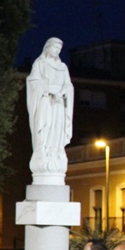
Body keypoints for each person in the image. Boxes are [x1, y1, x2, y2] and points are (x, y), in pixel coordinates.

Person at [26, 36, 74, 177]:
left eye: (59, 49)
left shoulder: (63, 67)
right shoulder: (40, 64)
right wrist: (49, 90)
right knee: (45, 128)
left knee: (57, 130)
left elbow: (68, 85)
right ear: (48, 47)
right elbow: (33, 82)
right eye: (55, 47)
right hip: (46, 102)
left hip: (59, 104)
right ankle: (43, 154)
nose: (57, 51)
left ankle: (55, 154)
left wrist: (65, 91)